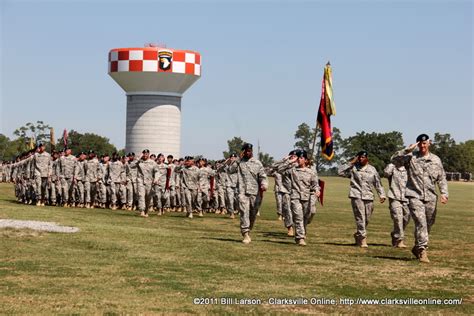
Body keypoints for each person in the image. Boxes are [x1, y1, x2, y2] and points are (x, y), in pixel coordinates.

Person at [391, 134, 448, 263]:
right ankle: (422, 250)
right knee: (420, 223)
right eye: (420, 143)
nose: (422, 146)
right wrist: (407, 150)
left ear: (429, 143)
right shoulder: (411, 157)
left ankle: (417, 247)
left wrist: (444, 193)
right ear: (417, 144)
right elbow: (394, 160)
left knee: (428, 224)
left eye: (425, 143)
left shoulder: (436, 160)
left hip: (430, 197)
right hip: (414, 195)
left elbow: (441, 178)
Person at [338, 150, 386, 248]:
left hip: (368, 196)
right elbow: (340, 172)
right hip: (356, 195)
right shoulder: (353, 168)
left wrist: (382, 195)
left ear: (367, 158)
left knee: (366, 218)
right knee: (360, 217)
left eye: (363, 157)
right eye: (359, 157)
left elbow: (378, 183)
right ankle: (363, 239)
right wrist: (351, 162)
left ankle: (358, 235)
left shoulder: (372, 169)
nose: (361, 159)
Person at [275, 149, 320, 246]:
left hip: (306, 197)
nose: (299, 160)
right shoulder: (292, 170)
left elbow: (315, 184)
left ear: (306, 160)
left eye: (301, 158)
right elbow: (279, 169)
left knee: (306, 216)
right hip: (295, 197)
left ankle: (301, 232)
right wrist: (289, 161)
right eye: (298, 158)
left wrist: (317, 190)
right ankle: (300, 238)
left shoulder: (311, 172)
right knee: (298, 217)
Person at [226, 143, 268, 244]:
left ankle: (248, 229)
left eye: (250, 150)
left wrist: (264, 184)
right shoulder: (239, 162)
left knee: (253, 214)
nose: (249, 152)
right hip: (242, 192)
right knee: (244, 212)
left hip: (255, 193)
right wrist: (237, 160)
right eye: (247, 151)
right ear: (243, 152)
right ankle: (245, 234)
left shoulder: (257, 163)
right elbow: (230, 170)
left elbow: (263, 176)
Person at [384, 161, 410, 248]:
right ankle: (400, 240)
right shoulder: (392, 167)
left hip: (407, 197)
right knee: (398, 218)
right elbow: (386, 173)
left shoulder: (409, 168)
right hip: (394, 196)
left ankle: (395, 234)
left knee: (406, 218)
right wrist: (393, 163)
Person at [271, 150, 297, 237]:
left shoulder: (300, 166)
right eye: (292, 156)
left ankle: (300, 228)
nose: (293, 157)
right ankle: (290, 228)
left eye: (295, 156)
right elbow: (275, 167)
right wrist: (285, 160)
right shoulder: (285, 166)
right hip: (287, 191)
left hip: (298, 192)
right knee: (288, 210)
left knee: (300, 211)